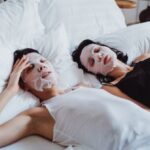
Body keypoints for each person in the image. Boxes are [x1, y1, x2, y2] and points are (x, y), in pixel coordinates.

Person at [0, 48, 150, 149]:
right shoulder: (36, 116)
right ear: (23, 84)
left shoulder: (85, 86)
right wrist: (11, 89)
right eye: (29, 68)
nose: (40, 67)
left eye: (42, 61)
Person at [72, 39, 150, 109]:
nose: (98, 56)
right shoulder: (110, 89)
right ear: (94, 72)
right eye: (92, 62)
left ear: (106, 48)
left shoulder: (144, 57)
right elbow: (142, 111)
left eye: (96, 50)